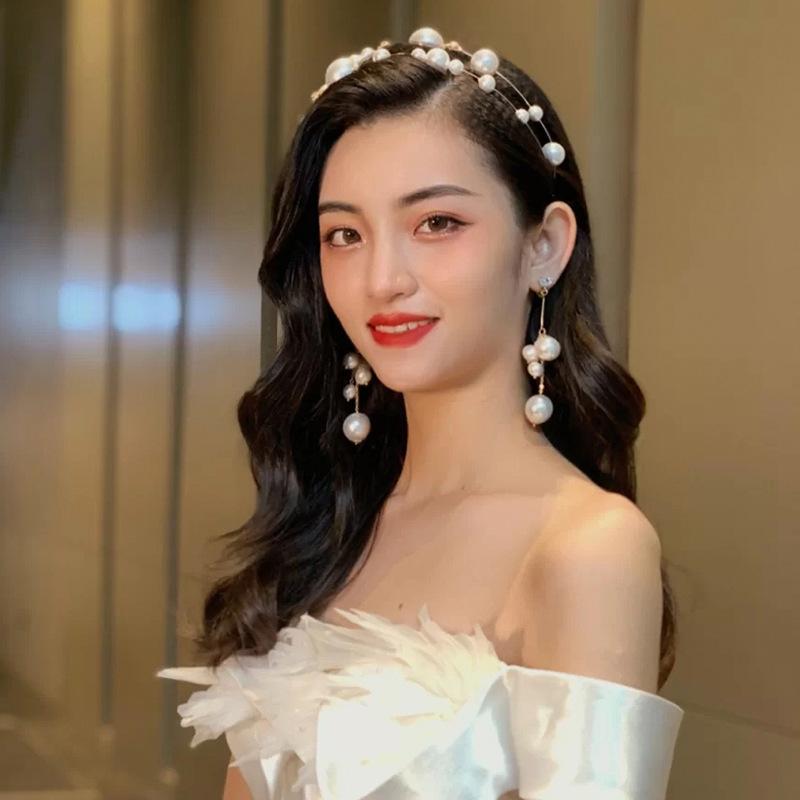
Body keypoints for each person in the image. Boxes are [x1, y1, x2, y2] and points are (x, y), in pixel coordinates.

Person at [157, 26, 684, 800]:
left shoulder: (587, 548)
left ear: (544, 244)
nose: (382, 279)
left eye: (437, 223)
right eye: (344, 234)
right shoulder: (330, 523)